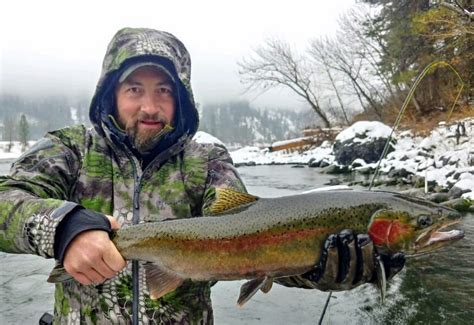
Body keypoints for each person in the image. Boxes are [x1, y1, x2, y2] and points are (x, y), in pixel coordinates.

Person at [0, 27, 404, 324]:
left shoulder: (207, 160)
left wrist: (321, 267)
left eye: (164, 90)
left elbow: (252, 244)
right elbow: (6, 200)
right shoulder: (71, 149)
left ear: (182, 98)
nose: (150, 107)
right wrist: (65, 226)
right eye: (134, 89)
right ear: (111, 95)